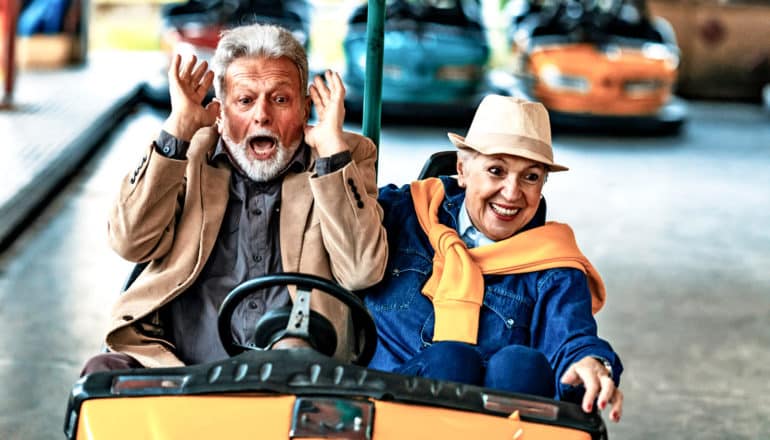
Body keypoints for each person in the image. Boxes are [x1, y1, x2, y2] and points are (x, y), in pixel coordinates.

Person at [81, 23, 387, 373]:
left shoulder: (344, 155)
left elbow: (362, 271)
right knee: (100, 374)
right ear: (221, 112)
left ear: (305, 110)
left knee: (292, 355)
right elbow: (129, 242)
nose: (262, 115)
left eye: (280, 99)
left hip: (293, 368)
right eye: (245, 100)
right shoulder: (187, 151)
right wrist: (178, 128)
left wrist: (333, 155)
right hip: (176, 367)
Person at [361, 95, 624, 422]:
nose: (512, 193)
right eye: (496, 171)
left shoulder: (552, 261)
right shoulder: (402, 213)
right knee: (451, 360)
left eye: (530, 177)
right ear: (462, 169)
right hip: (392, 416)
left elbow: (571, 336)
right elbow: (336, 220)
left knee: (520, 364)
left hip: (503, 421)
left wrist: (591, 362)